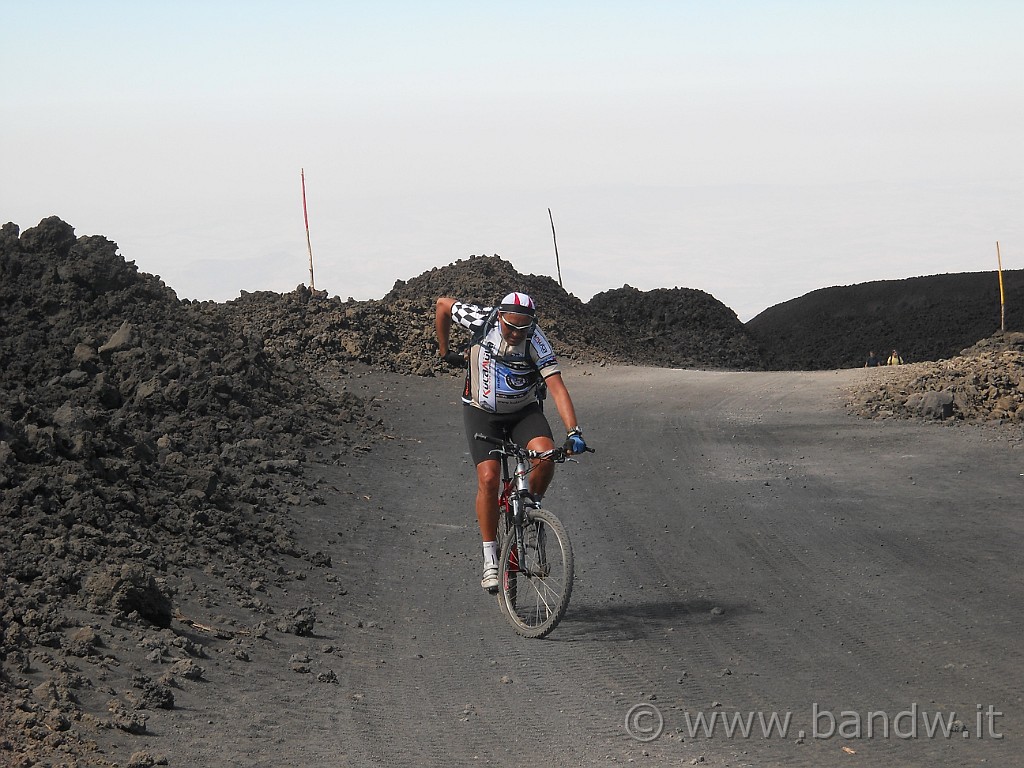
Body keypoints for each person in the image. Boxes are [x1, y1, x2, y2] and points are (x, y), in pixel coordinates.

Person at [435, 291, 588, 592]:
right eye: (510, 327)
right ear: (500, 318)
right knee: (489, 478)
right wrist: (444, 352)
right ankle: (490, 556)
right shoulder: (481, 320)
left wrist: (573, 431)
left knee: (546, 456)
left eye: (524, 328)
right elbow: (442, 304)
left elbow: (557, 388)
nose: (517, 334)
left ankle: (531, 512)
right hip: (482, 412)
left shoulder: (535, 340)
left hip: (523, 412)